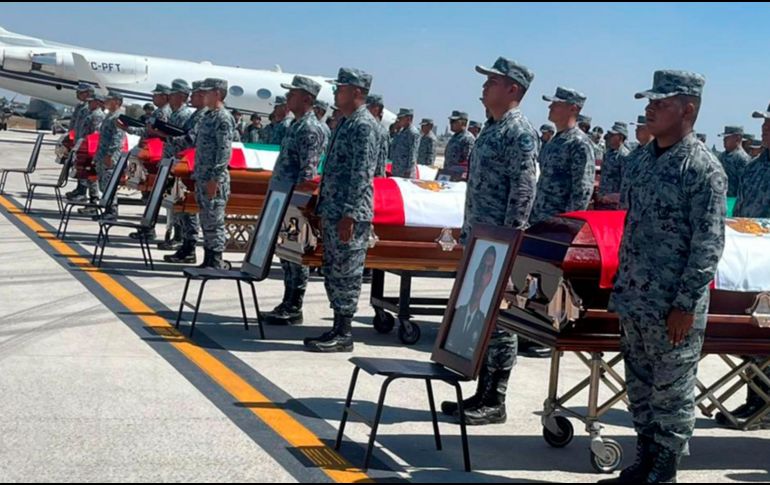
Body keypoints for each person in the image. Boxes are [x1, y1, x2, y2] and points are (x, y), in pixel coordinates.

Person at [602, 70, 726, 484]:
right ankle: (645, 459)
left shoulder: (702, 168)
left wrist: (685, 305)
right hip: (635, 298)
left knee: (672, 392)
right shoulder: (640, 160)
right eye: (649, 101)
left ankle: (664, 470)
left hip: (673, 307)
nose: (649, 108)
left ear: (688, 109)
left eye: (661, 102)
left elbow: (708, 245)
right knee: (639, 387)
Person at [440, 56, 539, 426]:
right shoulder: (493, 128)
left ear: (512, 89)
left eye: (492, 81)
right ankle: (482, 391)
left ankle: (495, 398)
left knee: (500, 320)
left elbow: (523, 190)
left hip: (499, 241)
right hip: (482, 238)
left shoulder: (519, 131)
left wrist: (509, 241)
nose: (484, 87)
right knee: (483, 318)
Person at [303, 68, 378, 353]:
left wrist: (350, 214)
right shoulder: (345, 122)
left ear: (357, 91)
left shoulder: (363, 125)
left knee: (347, 271)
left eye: (341, 88)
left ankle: (345, 333)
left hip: (349, 214)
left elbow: (362, 173)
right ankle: (337, 326)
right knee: (334, 270)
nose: (336, 92)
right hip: (334, 210)